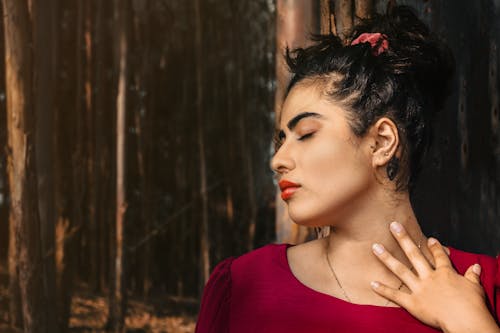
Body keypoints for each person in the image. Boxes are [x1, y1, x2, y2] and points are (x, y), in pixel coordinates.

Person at [195, 5, 500, 333]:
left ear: (382, 142)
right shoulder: (242, 285)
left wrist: (469, 322)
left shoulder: (486, 286)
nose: (278, 160)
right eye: (281, 140)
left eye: (307, 134)